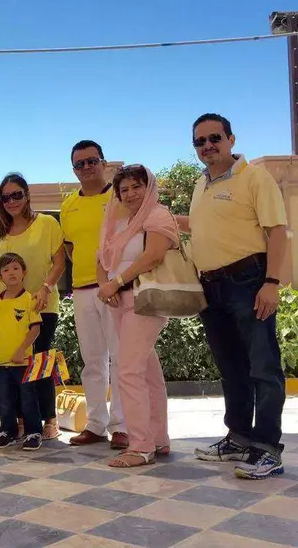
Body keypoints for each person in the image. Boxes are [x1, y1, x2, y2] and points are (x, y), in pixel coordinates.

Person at [176, 113, 288, 480]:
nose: (207, 146)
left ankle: (268, 449)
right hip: (211, 288)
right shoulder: (200, 184)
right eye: (200, 142)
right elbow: (202, 224)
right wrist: (157, 216)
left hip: (248, 281)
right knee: (231, 369)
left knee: (263, 367)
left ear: (231, 139)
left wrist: (271, 281)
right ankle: (239, 437)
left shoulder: (255, 177)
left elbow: (277, 231)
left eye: (214, 138)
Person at [97, 165, 179, 467]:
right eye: (124, 189)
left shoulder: (157, 215)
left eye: (136, 186)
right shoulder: (122, 223)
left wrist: (116, 282)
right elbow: (102, 257)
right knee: (146, 372)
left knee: (128, 371)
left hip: (146, 302)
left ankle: (141, 446)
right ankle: (158, 439)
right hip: (121, 302)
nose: (130, 194)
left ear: (149, 187)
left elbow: (153, 256)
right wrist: (109, 286)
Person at [0, 173, 65, 440]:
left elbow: (59, 262)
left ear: (27, 195)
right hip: (4, 311)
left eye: (17, 194)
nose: (11, 201)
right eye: (5, 197)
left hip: (39, 306)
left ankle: (49, 419)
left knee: (38, 364)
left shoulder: (46, 223)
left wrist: (45, 288)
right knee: (8, 368)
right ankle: (20, 421)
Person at [61, 141, 128, 449]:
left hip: (116, 289)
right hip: (82, 290)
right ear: (73, 169)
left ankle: (122, 426)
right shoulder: (68, 205)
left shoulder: (120, 197)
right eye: (79, 164)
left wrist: (113, 280)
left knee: (121, 359)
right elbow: (71, 248)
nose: (86, 168)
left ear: (103, 163)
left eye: (91, 161)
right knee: (92, 361)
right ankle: (96, 425)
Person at [0, 253, 43, 451]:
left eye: (16, 268)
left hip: (24, 362)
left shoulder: (30, 300)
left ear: (24, 273)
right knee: (5, 399)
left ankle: (34, 432)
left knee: (28, 399)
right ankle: (8, 432)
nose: (11, 273)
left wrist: (21, 350)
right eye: (6, 270)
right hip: (1, 363)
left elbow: (35, 329)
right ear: (0, 277)